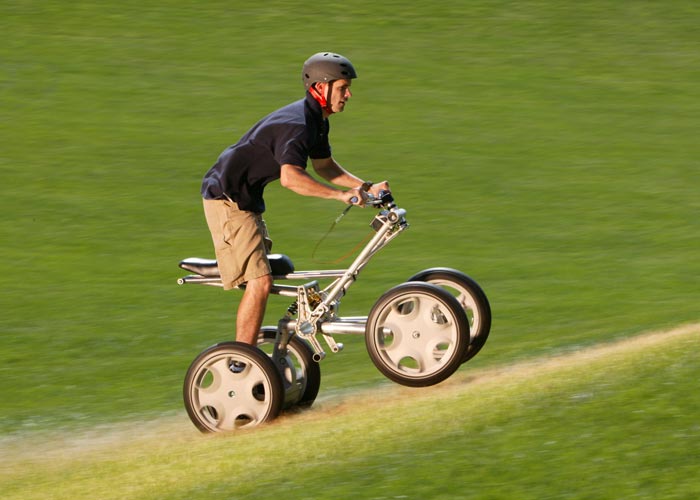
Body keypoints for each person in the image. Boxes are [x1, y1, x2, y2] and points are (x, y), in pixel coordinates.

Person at [201, 51, 390, 345]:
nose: (349, 94)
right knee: (260, 282)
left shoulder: (317, 121)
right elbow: (291, 178)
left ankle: (254, 354)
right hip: (227, 198)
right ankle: (240, 363)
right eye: (342, 88)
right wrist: (341, 196)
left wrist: (365, 187)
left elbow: (324, 166)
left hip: (246, 200)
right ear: (319, 88)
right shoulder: (299, 125)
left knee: (264, 277)